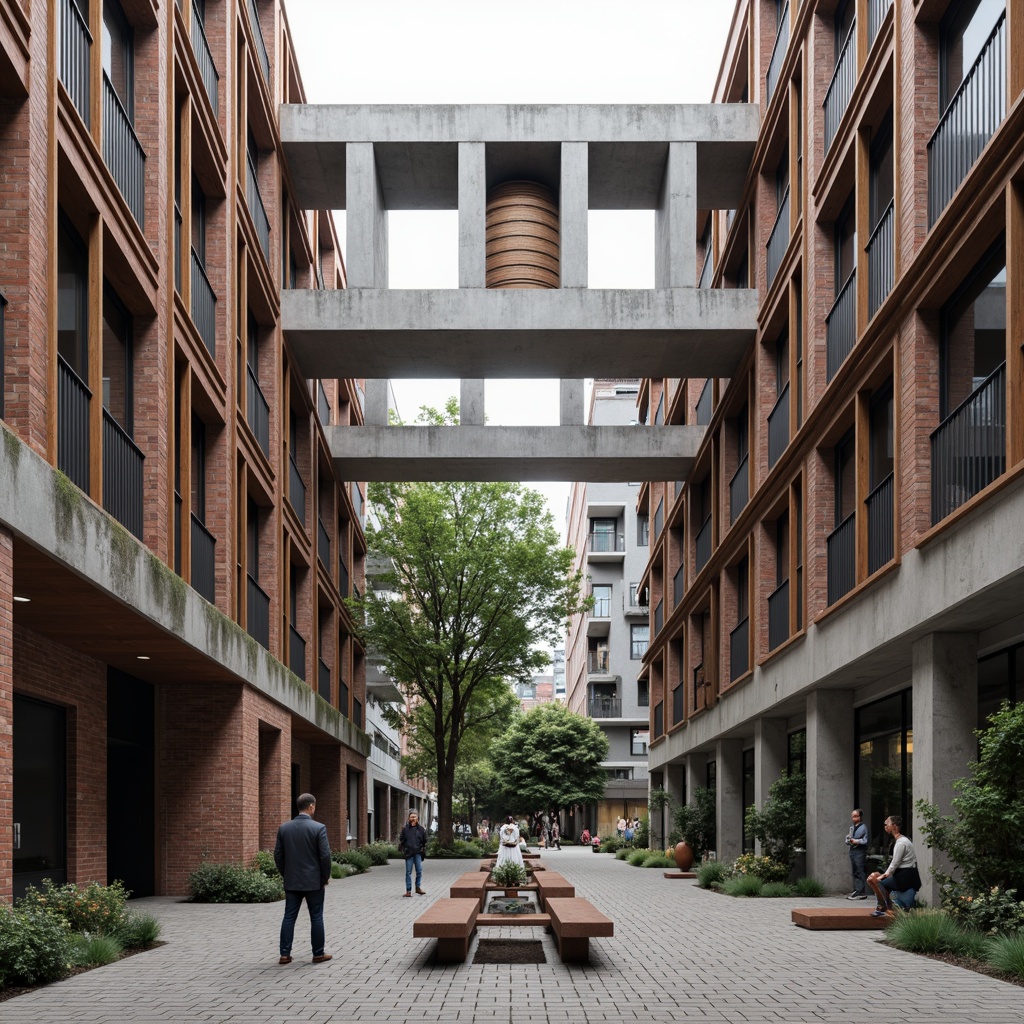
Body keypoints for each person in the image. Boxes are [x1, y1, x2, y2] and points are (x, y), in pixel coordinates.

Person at [274, 793, 332, 965]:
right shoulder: (318, 828)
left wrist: (286, 873)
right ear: (311, 806)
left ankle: (285, 954)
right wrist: (324, 878)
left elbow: (278, 855)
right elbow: (325, 856)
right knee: (316, 916)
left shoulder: (284, 828)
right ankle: (318, 954)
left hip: (292, 881)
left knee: (289, 916)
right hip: (314, 881)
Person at [867, 815, 921, 916]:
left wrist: (884, 875)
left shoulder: (902, 842)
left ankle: (887, 908)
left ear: (894, 826)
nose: (885, 826)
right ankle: (883, 906)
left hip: (906, 876)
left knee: (879, 882)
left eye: (887, 823)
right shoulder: (899, 841)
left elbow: (895, 863)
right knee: (872, 878)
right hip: (902, 873)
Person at [399, 809, 428, 897]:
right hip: (409, 853)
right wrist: (405, 848)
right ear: (408, 818)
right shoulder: (405, 829)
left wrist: (422, 848)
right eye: (411, 817)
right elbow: (402, 840)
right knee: (408, 872)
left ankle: (418, 887)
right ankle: (408, 890)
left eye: (414, 817)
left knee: (419, 871)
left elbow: (424, 840)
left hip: (418, 853)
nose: (413, 818)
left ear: (417, 818)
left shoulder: (421, 829)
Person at [845, 808, 869, 900]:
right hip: (852, 850)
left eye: (855, 816)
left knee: (859, 870)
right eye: (852, 817)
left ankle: (861, 891)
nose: (853, 818)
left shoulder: (863, 827)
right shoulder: (852, 827)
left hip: (860, 851)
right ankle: (857, 889)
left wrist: (856, 841)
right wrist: (848, 839)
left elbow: (865, 840)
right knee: (855, 870)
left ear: (860, 817)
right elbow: (848, 838)